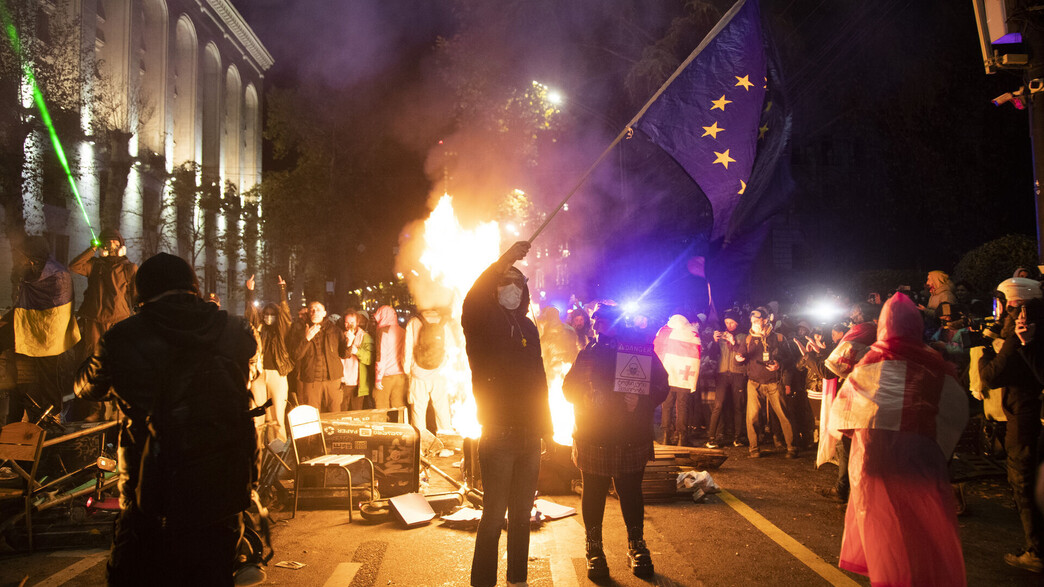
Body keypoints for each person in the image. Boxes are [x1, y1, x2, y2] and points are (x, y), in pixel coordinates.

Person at [74, 252, 258, 585]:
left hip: (153, 490)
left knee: (136, 573)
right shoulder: (233, 329)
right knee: (213, 573)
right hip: (224, 485)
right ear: (194, 286)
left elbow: (87, 386)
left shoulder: (123, 337)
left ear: (140, 292)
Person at [828, 293, 968, 585]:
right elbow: (956, 410)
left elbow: (842, 412)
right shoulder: (934, 363)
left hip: (875, 460)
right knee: (924, 530)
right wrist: (939, 448)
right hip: (921, 459)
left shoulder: (868, 363)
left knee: (883, 531)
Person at [461, 241, 552, 587]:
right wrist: (506, 259)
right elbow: (473, 299)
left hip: (530, 436)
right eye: (504, 281)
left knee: (521, 517)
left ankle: (518, 580)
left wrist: (544, 428)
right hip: (498, 434)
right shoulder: (482, 324)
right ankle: (483, 582)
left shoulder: (528, 328)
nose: (512, 288)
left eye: (518, 282)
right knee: (493, 515)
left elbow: (539, 380)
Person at [564, 304, 669, 581]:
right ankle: (594, 549)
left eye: (604, 322)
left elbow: (662, 385)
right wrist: (583, 397)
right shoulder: (587, 354)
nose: (598, 327)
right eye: (596, 323)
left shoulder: (639, 352)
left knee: (631, 491)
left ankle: (636, 546)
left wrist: (642, 398)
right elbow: (568, 389)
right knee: (594, 492)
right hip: (593, 435)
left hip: (629, 437)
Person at [980, 284, 1044, 573]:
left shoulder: (1024, 335)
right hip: (1030, 413)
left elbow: (992, 376)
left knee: (1022, 481)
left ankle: (1037, 550)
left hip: (1025, 414)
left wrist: (984, 352)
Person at [4, 236, 80, 424]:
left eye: (22, 257)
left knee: (48, 373)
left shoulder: (57, 275)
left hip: (49, 332)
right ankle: (24, 414)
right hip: (28, 326)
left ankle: (52, 414)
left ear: (32, 258)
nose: (19, 260)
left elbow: (55, 307)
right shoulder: (31, 273)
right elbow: (23, 304)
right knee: (28, 378)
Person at [67, 228, 136, 421]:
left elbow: (136, 297)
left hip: (118, 322)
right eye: (106, 244)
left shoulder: (129, 268)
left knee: (118, 365)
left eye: (115, 243)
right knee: (93, 365)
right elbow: (74, 266)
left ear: (121, 246)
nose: (111, 247)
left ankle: (117, 411)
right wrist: (92, 249)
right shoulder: (95, 266)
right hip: (94, 322)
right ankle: (94, 410)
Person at [817, 302, 879, 503]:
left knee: (847, 441)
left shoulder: (861, 331)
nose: (851, 315)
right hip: (878, 394)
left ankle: (844, 490)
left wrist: (815, 358)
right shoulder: (886, 332)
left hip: (860, 393)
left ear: (862, 315)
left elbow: (833, 365)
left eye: (854, 312)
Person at [739, 306, 797, 458]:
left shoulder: (778, 338)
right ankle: (754, 449)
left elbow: (790, 359)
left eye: (757, 320)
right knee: (752, 417)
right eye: (752, 320)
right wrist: (739, 358)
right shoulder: (748, 338)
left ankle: (791, 447)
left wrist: (779, 364)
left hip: (774, 383)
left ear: (765, 320)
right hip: (754, 383)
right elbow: (741, 358)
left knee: (783, 415)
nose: (754, 323)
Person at [245, 274, 293, 441]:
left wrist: (282, 290)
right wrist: (250, 292)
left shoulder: (281, 332)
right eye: (266, 313)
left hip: (277, 374)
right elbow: (251, 314)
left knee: (277, 414)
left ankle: (278, 449)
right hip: (259, 374)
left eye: (272, 314)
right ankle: (258, 448)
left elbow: (286, 315)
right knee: (258, 414)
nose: (269, 316)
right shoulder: (258, 328)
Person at [290, 300, 348, 412]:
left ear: (324, 313)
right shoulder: (300, 330)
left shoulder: (335, 330)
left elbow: (344, 354)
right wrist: (306, 339)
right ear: (308, 313)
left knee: (334, 413)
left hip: (332, 380)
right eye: (311, 310)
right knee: (312, 415)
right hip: (311, 381)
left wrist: (349, 344)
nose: (314, 312)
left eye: (318, 309)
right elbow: (296, 355)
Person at [653, 314, 701, 446]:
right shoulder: (691, 332)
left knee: (666, 407)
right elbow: (696, 354)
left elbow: (657, 349)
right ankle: (681, 438)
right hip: (685, 376)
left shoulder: (665, 331)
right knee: (682, 407)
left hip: (668, 375)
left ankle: (665, 437)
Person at [403, 308, 453, 433]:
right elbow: (450, 349)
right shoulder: (444, 323)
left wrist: (407, 369)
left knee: (418, 409)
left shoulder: (413, 322)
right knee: (442, 408)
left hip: (418, 373)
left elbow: (407, 350)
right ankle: (445, 441)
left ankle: (420, 445)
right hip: (440, 373)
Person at [707, 309, 748, 447]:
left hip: (738, 374)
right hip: (722, 373)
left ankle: (738, 437)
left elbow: (745, 355)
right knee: (718, 405)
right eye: (726, 322)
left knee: (738, 406)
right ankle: (711, 437)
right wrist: (714, 341)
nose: (729, 325)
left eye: (731, 322)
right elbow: (713, 354)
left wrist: (734, 342)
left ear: (736, 323)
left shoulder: (743, 337)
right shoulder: (722, 336)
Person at [373, 305, 408, 409]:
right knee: (398, 407)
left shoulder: (383, 332)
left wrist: (378, 379)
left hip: (386, 377)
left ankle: (383, 425)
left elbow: (381, 356)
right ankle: (400, 425)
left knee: (381, 406)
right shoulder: (403, 331)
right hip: (401, 376)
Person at [341, 309, 374, 411]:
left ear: (357, 322)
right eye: (346, 322)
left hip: (358, 384)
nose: (349, 325)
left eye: (352, 322)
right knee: (342, 413)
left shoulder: (365, 337)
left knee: (356, 413)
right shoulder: (340, 335)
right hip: (343, 382)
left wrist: (357, 351)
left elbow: (370, 359)